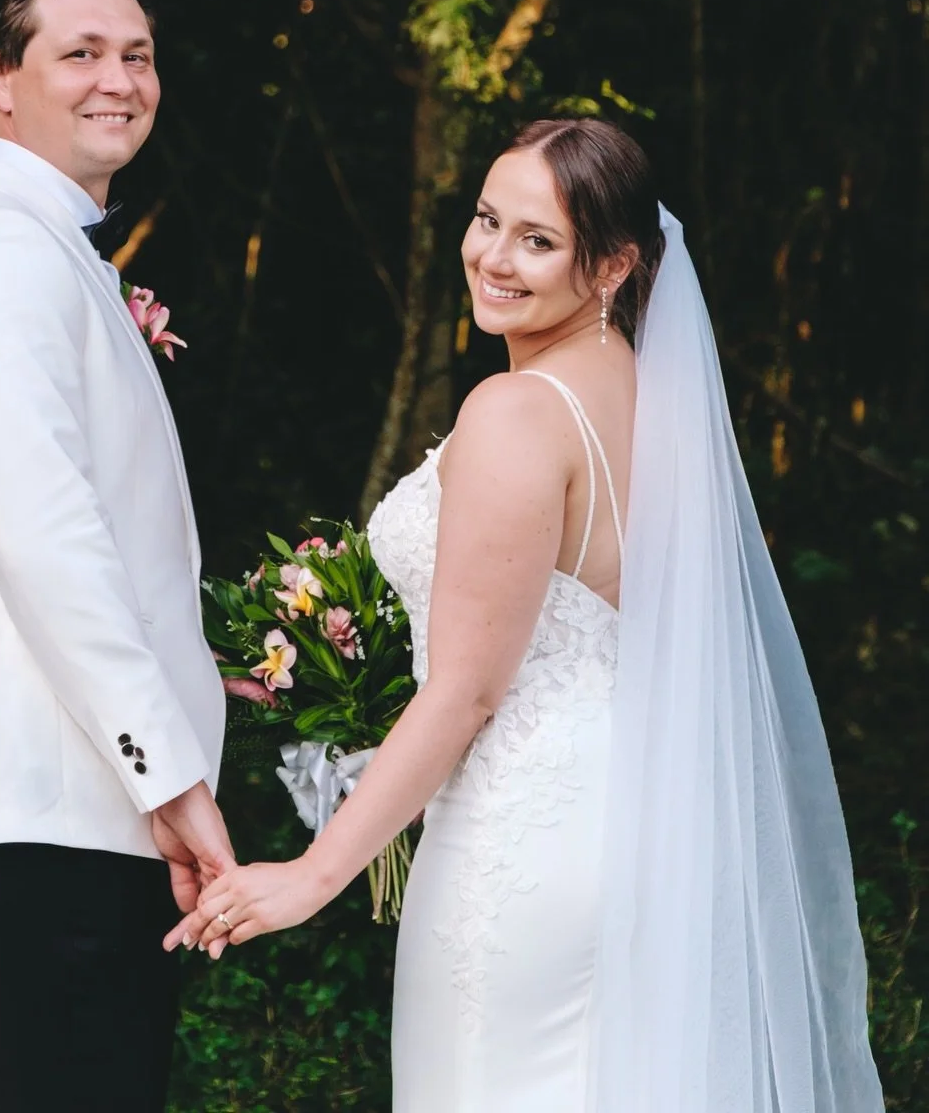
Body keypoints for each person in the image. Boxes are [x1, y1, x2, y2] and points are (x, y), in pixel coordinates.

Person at [169, 119, 885, 1111]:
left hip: (522, 846)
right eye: (486, 220)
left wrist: (312, 873)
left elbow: (465, 691)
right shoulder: (650, 400)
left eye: (536, 240)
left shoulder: (517, 413)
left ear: (613, 266)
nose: (493, 257)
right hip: (637, 832)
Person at [0, 0, 231, 1113]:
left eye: (137, 54)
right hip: (47, 809)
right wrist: (173, 781)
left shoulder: (52, 254)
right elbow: (46, 541)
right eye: (79, 52)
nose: (118, 79)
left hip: (78, 819)